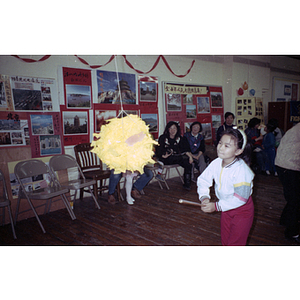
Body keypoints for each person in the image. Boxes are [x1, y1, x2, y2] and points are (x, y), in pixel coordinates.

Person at [197, 127, 254, 246]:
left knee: (235, 243)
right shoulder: (216, 162)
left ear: (238, 151)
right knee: (225, 241)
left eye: (227, 146)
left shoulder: (241, 170)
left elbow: (241, 198)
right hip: (225, 207)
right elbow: (203, 180)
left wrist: (216, 206)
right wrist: (204, 197)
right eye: (220, 143)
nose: (220, 148)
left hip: (241, 210)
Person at [275, 122, 300, 243]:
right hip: (289, 166)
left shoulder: (296, 128)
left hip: (284, 164)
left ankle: (285, 220)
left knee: (293, 197)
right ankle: (292, 232)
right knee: (295, 200)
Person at [156, 121, 193, 190]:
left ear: (177, 130)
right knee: (179, 158)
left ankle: (187, 184)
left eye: (174, 128)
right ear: (168, 129)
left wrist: (190, 157)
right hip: (166, 159)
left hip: (176, 158)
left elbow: (184, 149)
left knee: (187, 163)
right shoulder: (163, 138)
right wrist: (162, 155)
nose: (172, 130)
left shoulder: (180, 138)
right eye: (171, 128)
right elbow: (159, 150)